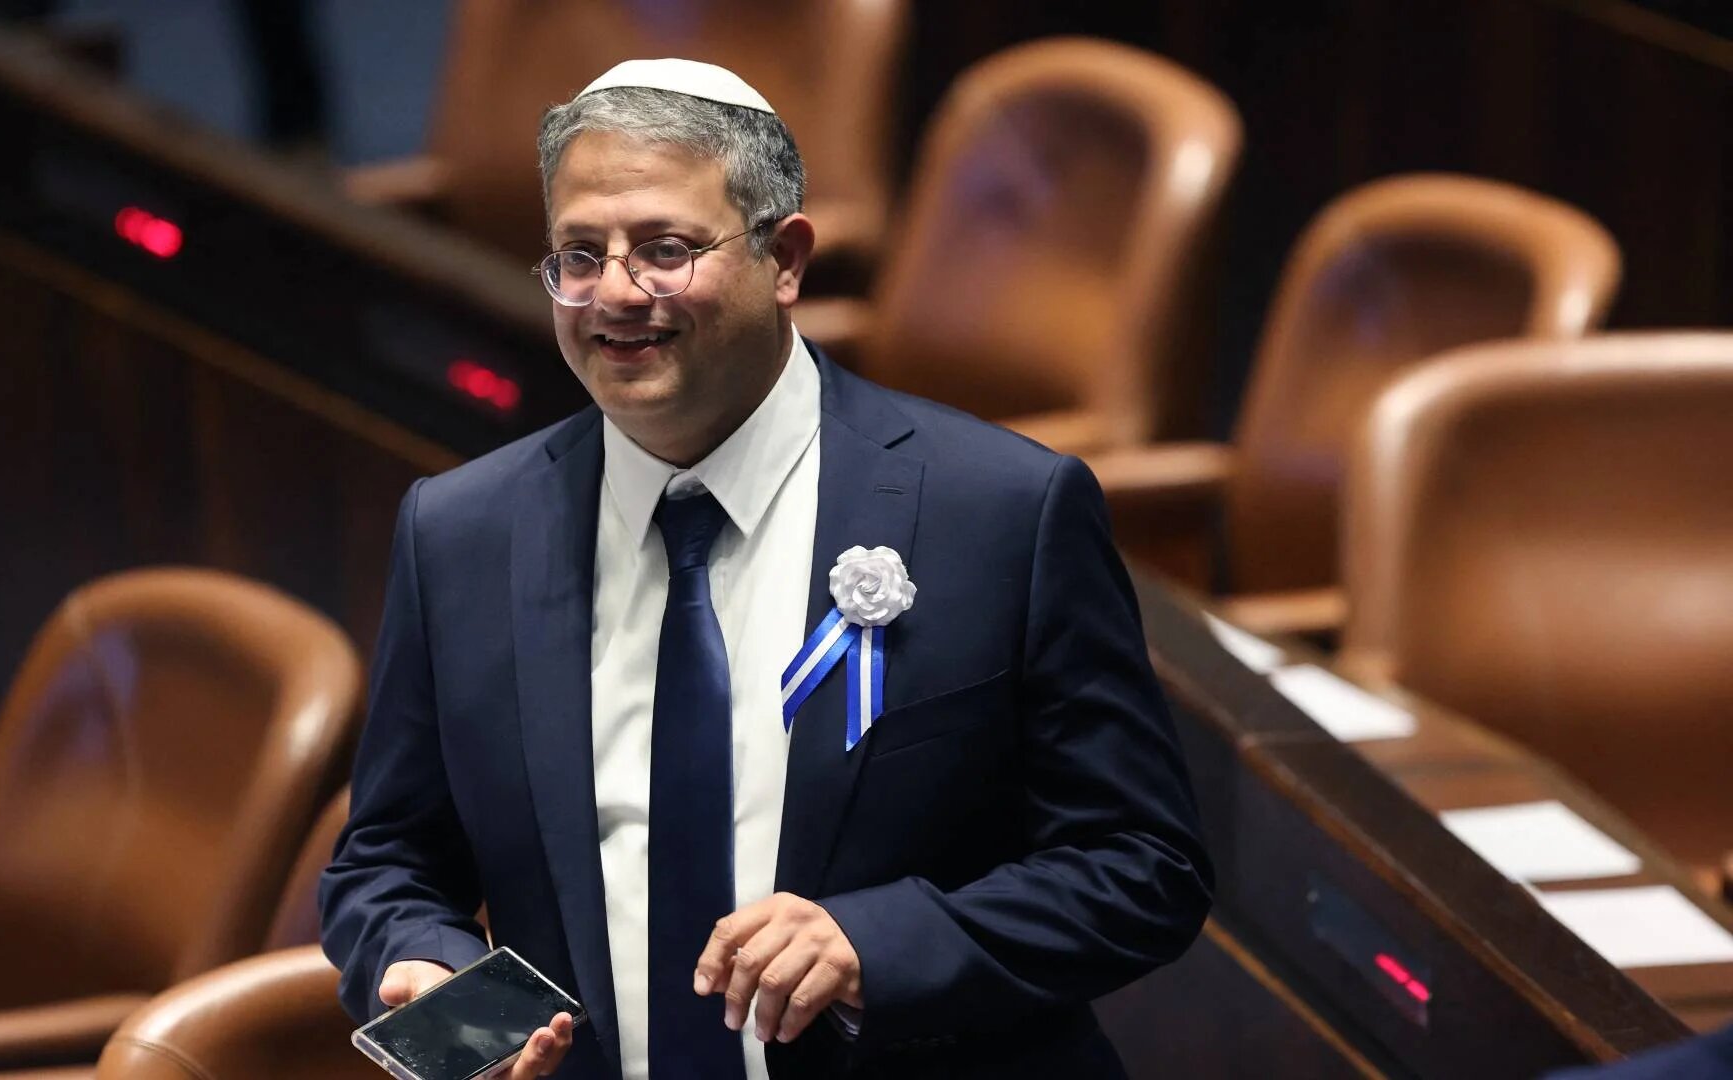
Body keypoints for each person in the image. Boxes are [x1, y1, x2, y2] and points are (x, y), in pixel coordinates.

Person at [320, 58, 1212, 1080]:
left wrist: (879, 945)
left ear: (785, 259)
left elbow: (1146, 868)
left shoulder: (999, 511)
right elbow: (385, 862)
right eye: (577, 254)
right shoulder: (463, 530)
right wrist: (423, 964)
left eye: (664, 249)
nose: (614, 293)